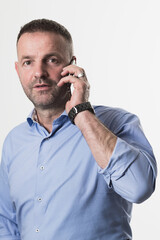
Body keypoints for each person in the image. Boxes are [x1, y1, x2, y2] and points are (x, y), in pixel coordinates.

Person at [0, 19, 157, 240]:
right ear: (17, 69)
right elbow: (6, 222)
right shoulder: (14, 142)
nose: (39, 73)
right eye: (28, 62)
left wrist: (82, 114)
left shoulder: (118, 122)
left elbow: (139, 188)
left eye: (51, 60)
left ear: (71, 66)